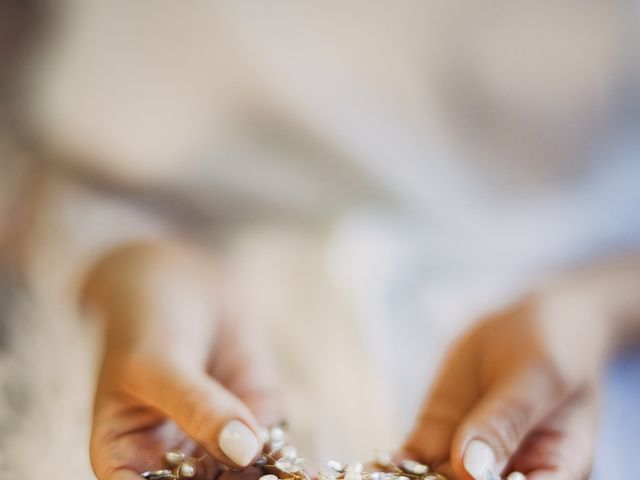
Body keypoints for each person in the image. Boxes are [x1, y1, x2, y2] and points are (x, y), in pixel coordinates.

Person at [0, 2, 639, 479]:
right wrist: (127, 257)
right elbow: (36, 146)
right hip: (157, 362)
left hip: (572, 385)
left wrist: (597, 308)